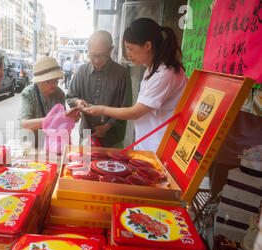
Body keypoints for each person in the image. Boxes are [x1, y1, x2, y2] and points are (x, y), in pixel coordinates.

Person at [82, 18, 188, 153]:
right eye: (93, 55)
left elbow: (134, 112)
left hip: (161, 146)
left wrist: (102, 109)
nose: (128, 55)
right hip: (150, 143)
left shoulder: (165, 74)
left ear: (147, 46)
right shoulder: (152, 70)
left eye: (130, 49)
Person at [66, 30, 132, 149]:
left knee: (113, 167)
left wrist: (107, 126)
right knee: (84, 167)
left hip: (113, 139)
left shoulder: (122, 74)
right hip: (87, 136)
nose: (96, 60)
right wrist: (77, 102)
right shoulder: (82, 71)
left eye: (101, 55)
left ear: (111, 50)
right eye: (92, 55)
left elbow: (126, 108)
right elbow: (70, 97)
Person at [18, 56, 80, 148]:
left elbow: (63, 122)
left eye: (56, 80)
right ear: (39, 81)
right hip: (31, 144)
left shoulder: (59, 94)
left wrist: (72, 118)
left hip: (53, 144)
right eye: (49, 81)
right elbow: (25, 124)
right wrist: (53, 119)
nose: (54, 84)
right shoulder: (28, 94)